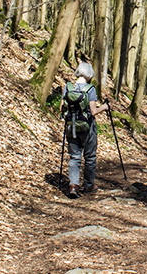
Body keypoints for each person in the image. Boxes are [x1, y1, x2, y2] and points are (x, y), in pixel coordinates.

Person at [61, 62, 109, 199]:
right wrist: (104, 107)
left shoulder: (68, 87)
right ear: (89, 75)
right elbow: (93, 111)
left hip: (71, 126)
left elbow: (62, 108)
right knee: (90, 157)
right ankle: (88, 185)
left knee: (74, 157)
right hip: (87, 127)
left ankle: (73, 185)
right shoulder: (90, 89)